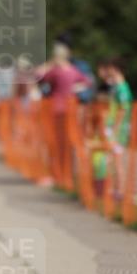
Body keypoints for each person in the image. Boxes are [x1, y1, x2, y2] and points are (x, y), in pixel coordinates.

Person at [35, 41, 91, 187]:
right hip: (70, 110)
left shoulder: (56, 71)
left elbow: (38, 76)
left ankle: (56, 174)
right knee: (67, 142)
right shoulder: (73, 70)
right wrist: (75, 88)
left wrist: (49, 63)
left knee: (54, 142)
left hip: (56, 109)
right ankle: (67, 173)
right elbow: (88, 81)